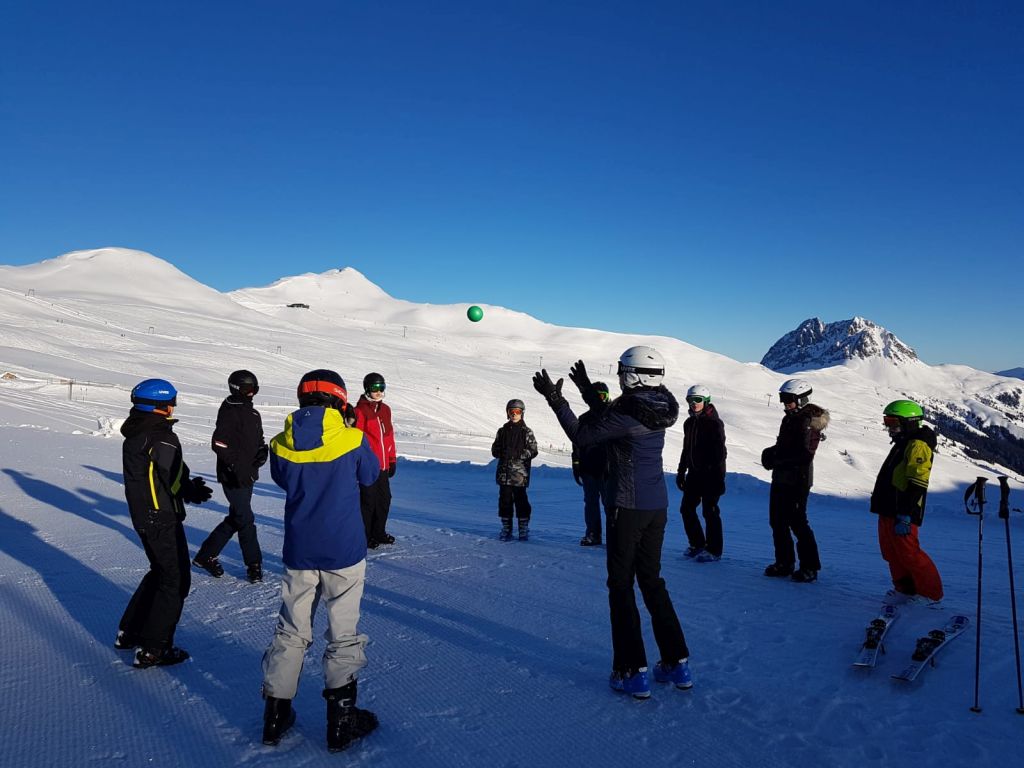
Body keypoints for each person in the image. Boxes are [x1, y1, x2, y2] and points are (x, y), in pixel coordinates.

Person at [534, 347, 693, 699]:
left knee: (621, 586)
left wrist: (555, 400)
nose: (620, 375)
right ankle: (676, 663)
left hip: (627, 506)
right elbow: (617, 416)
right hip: (657, 507)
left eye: (623, 370)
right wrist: (589, 391)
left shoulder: (629, 411)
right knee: (652, 581)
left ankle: (631, 670)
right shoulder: (659, 404)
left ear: (633, 375)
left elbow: (584, 435)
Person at [260, 369, 381, 752]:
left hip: (300, 549)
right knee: (343, 631)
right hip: (344, 550)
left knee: (292, 629)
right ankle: (340, 722)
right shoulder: (353, 438)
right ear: (340, 400)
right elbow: (371, 474)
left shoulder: (281, 443)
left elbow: (283, 480)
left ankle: (275, 717)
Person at [116, 378, 213, 668]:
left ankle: (129, 632)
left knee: (160, 573)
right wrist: (190, 489)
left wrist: (186, 484)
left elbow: (162, 472)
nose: (173, 407)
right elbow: (172, 477)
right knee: (175, 580)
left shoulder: (138, 431)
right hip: (160, 517)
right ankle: (153, 648)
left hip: (144, 513)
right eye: (171, 401)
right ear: (160, 405)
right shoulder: (161, 436)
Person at [193, 370, 269, 582]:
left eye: (254, 389)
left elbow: (258, 438)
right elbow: (219, 443)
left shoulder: (253, 413)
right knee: (246, 519)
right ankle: (254, 564)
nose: (252, 393)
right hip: (233, 476)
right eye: (248, 389)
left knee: (237, 517)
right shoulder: (230, 410)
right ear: (236, 388)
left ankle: (205, 555)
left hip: (248, 475)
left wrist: (262, 451)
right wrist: (236, 465)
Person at [870, 400, 943, 604]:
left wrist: (906, 513)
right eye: (887, 421)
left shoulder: (917, 445)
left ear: (909, 422)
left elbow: (918, 481)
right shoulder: (903, 441)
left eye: (893, 422)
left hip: (903, 511)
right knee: (891, 552)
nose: (889, 428)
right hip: (888, 508)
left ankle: (930, 595)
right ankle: (905, 589)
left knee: (909, 553)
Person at [760, 378, 828, 583]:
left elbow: (805, 454)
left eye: (788, 399)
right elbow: (785, 446)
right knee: (777, 521)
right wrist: (771, 453)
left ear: (801, 399)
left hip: (798, 479)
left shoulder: (809, 421)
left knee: (797, 522)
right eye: (783, 398)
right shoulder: (790, 418)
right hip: (782, 477)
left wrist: (776, 458)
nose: (784, 403)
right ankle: (784, 563)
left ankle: (809, 567)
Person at [675, 384, 727, 562]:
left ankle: (714, 550)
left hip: (711, 475)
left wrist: (716, 475)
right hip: (694, 475)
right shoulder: (689, 423)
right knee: (686, 508)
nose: (693, 403)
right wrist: (681, 471)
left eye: (697, 400)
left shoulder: (714, 423)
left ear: (706, 402)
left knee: (710, 511)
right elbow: (686, 449)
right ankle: (697, 543)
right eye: (690, 400)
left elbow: (721, 453)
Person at [354, 372, 398, 548]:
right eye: (375, 388)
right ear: (367, 389)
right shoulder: (360, 411)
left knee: (384, 499)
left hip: (383, 466)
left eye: (382, 388)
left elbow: (389, 436)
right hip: (367, 465)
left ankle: (378, 532)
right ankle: (364, 536)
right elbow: (356, 440)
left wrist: (392, 459)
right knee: (367, 501)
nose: (379, 392)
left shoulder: (385, 410)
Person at [491, 399, 538, 541]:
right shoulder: (502, 431)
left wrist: (518, 454)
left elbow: (533, 450)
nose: (514, 414)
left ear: (522, 413)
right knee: (504, 500)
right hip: (504, 474)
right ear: (507, 413)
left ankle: (523, 528)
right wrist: (502, 452)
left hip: (519, 475)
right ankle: (506, 528)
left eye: (517, 411)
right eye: (512, 411)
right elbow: (494, 450)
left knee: (521, 500)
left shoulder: (527, 432)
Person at [572, 381, 611, 546]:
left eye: (602, 396)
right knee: (591, 503)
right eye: (596, 396)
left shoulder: (613, 418)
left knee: (611, 504)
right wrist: (576, 464)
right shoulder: (584, 419)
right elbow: (577, 444)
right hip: (588, 468)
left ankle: (616, 535)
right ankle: (593, 534)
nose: (599, 400)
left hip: (608, 469)